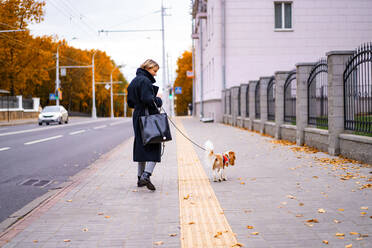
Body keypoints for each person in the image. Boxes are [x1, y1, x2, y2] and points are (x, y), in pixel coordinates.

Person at [127, 59, 162, 191]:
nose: (155, 74)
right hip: (148, 116)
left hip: (137, 115)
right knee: (154, 144)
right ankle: (146, 176)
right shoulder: (145, 81)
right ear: (148, 68)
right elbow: (148, 99)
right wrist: (158, 101)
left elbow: (130, 103)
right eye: (154, 71)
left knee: (141, 145)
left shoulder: (134, 81)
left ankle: (140, 177)